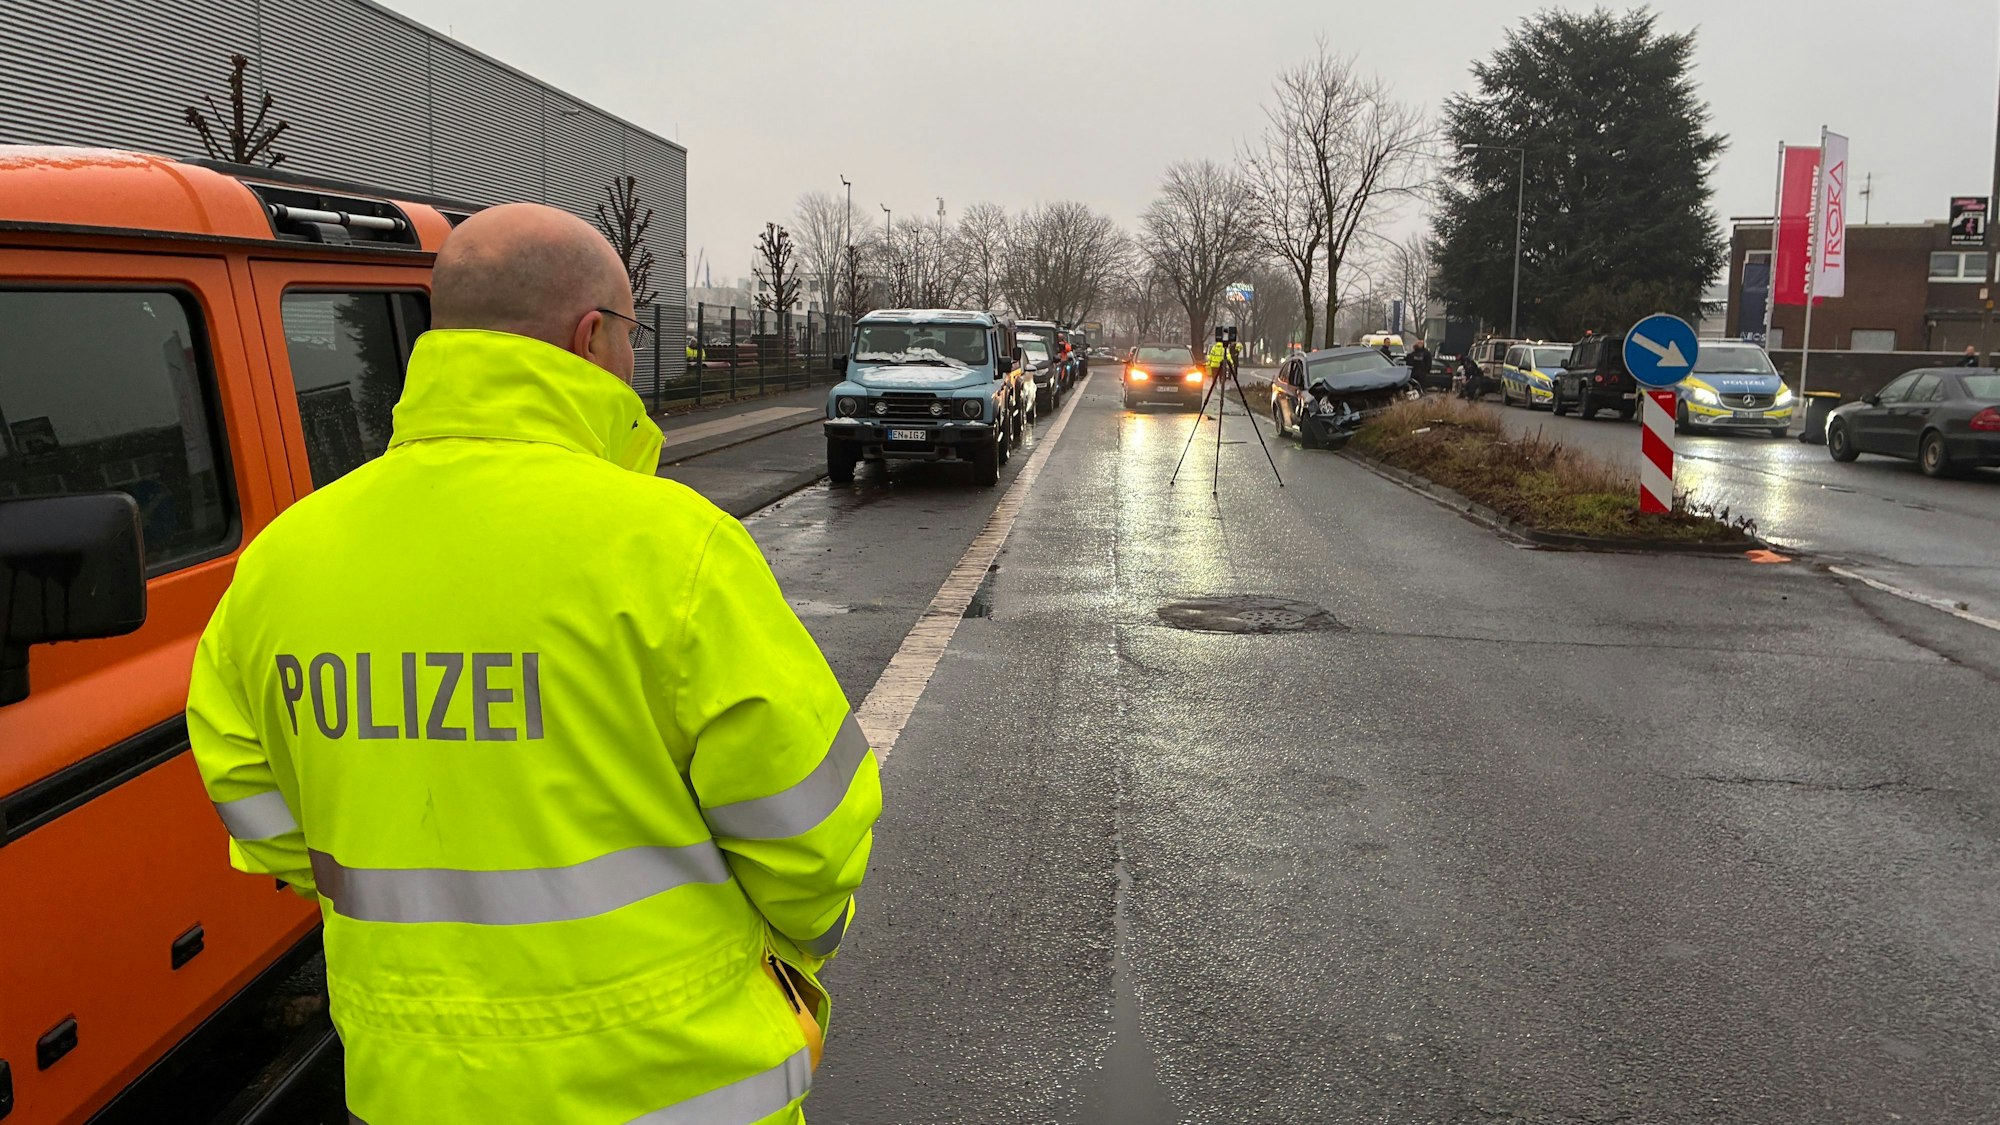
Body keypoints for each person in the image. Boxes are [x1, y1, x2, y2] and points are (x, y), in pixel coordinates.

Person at [186, 203, 879, 1125]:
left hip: (414, 1091)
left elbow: (256, 805)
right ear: (593, 338)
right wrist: (790, 948)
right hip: (675, 1088)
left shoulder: (280, 563)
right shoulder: (674, 552)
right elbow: (811, 830)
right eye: (632, 336)